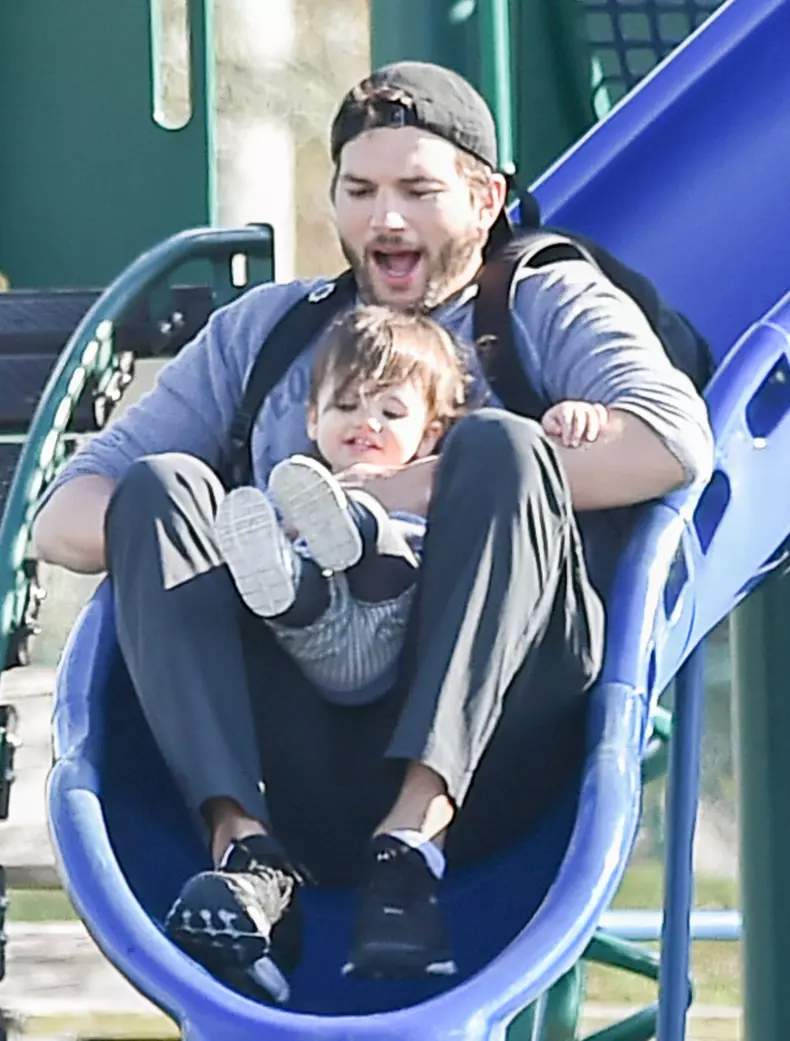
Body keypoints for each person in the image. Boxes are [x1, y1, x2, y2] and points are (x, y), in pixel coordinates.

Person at [32, 60, 714, 1003]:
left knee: (503, 448)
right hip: (298, 747)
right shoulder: (269, 331)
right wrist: (264, 520)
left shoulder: (541, 301)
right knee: (158, 485)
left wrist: (406, 489)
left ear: (485, 199)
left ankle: (412, 841)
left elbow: (672, 444)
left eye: (418, 191)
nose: (386, 219)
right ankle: (247, 856)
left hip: (491, 741)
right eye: (360, 191)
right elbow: (63, 517)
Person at [215, 304, 474, 704]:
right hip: (320, 647)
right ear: (313, 419)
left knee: (382, 534)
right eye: (347, 406)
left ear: (427, 436)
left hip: (393, 633)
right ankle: (288, 576)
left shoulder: (428, 497)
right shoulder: (290, 491)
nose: (367, 421)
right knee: (295, 584)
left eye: (391, 412)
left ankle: (353, 521)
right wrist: (274, 535)